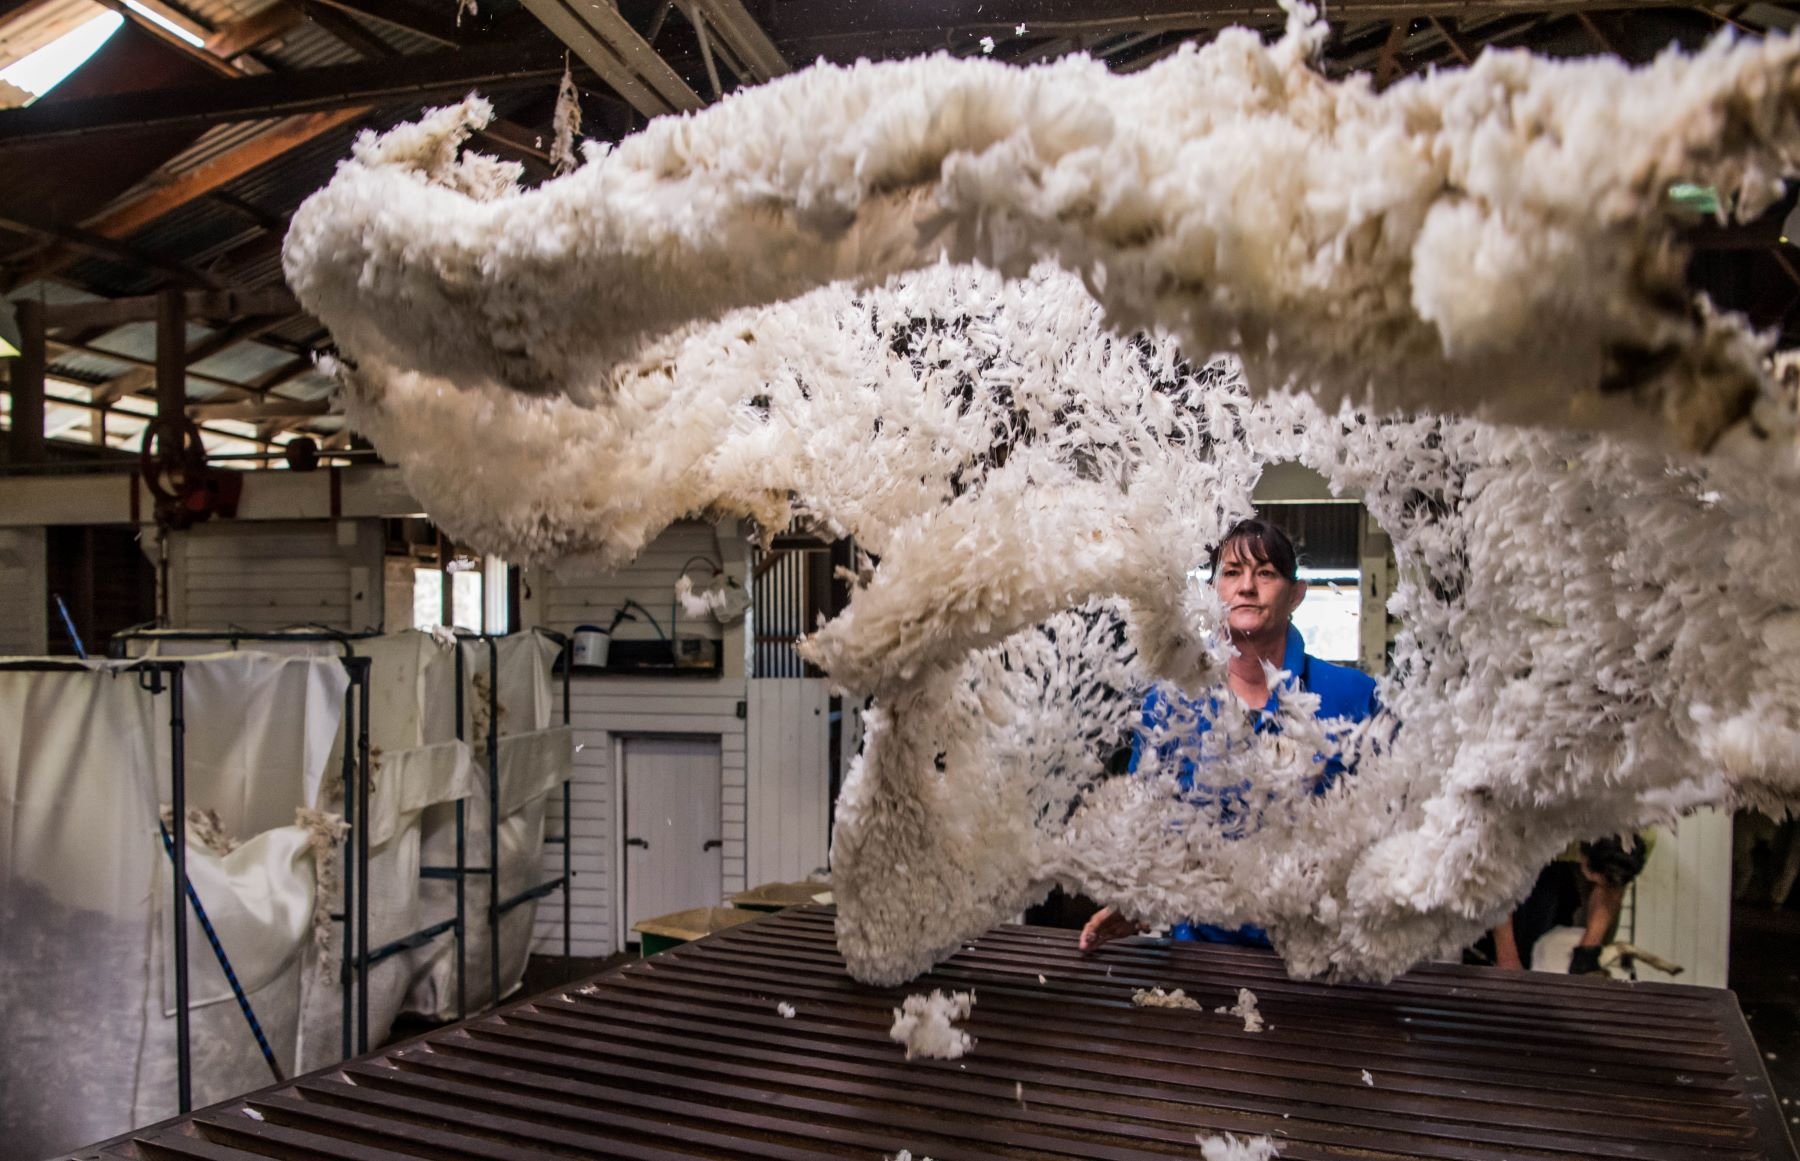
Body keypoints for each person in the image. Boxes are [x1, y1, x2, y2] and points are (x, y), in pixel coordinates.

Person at [1080, 516, 1379, 952]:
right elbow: (1147, 829)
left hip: (1320, 953)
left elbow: (1387, 825)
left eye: (1267, 573)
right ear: (1212, 591)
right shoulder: (1169, 705)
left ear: (1296, 594)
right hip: (1200, 953)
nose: (1247, 587)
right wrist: (1137, 899)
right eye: (1232, 573)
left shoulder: (1352, 697)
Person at [1475, 834, 1651, 974]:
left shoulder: (1643, 833)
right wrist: (1507, 958)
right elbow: (1496, 877)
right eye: (1595, 879)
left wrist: (1587, 952)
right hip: (1512, 847)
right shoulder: (1523, 826)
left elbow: (1612, 885)